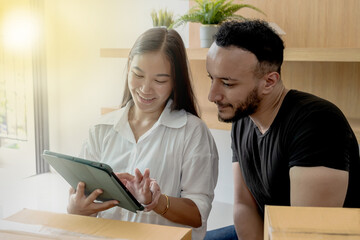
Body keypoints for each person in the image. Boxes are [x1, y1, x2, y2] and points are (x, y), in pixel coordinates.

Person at [205, 19, 360, 240]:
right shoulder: (241, 119)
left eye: (227, 84)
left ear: (269, 82)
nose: (212, 95)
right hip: (271, 231)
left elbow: (307, 234)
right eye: (212, 79)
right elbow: (244, 206)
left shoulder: (318, 123)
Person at [67, 27, 219, 240]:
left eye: (160, 81)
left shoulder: (192, 132)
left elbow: (197, 215)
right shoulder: (101, 130)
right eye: (138, 75)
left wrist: (155, 202)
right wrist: (76, 209)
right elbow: (79, 203)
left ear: (176, 81)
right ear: (129, 66)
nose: (145, 89)